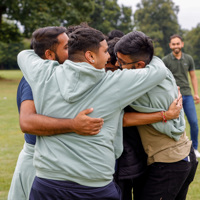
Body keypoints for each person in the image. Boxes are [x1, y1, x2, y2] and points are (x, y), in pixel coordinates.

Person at [17, 27, 170, 199]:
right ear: (90, 56)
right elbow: (159, 71)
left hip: (47, 185)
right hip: (93, 187)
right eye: (105, 51)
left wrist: (52, 65)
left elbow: (24, 55)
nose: (108, 57)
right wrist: (149, 55)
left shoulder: (44, 73)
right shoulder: (115, 83)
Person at [8, 26, 104, 200]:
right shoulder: (35, 79)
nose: (73, 50)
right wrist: (74, 125)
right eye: (67, 48)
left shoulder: (63, 75)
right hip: (37, 164)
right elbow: (27, 122)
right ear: (50, 55)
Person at [114, 30, 198, 200]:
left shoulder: (137, 80)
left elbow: (121, 119)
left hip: (169, 163)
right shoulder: (157, 65)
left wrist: (164, 115)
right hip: (181, 155)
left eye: (122, 62)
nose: (117, 65)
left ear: (139, 65)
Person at [163, 34, 200, 158]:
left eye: (178, 43)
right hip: (173, 97)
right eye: (173, 44)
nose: (176, 46)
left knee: (194, 123)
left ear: (182, 44)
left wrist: (196, 93)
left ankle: (194, 148)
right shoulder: (165, 60)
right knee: (176, 125)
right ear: (170, 46)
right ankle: (177, 150)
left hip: (188, 95)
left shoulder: (188, 59)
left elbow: (193, 76)